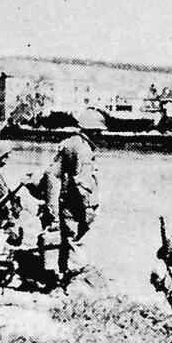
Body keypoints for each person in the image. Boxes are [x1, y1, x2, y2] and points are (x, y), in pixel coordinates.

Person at [55, 109, 101, 287]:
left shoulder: (71, 142)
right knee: (75, 241)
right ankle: (75, 282)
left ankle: (65, 277)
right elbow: (82, 182)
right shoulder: (82, 149)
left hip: (68, 200)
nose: (99, 134)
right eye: (98, 131)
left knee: (68, 239)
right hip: (76, 204)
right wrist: (88, 207)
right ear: (92, 130)